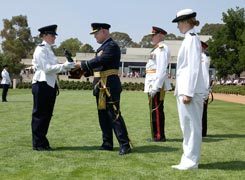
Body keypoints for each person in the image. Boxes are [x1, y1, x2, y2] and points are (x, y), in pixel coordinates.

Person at [75, 23, 132, 155]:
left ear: (104, 32)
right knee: (103, 116)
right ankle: (107, 143)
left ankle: (125, 144)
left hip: (110, 84)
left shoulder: (111, 46)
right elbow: (99, 66)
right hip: (100, 85)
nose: (94, 36)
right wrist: (83, 71)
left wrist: (83, 64)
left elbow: (102, 60)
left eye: (96, 33)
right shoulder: (103, 47)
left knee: (114, 115)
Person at [171, 9, 208, 170]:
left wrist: (188, 92)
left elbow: (193, 67)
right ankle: (187, 159)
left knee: (192, 127)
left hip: (190, 91)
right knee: (186, 127)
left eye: (179, 22)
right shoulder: (188, 38)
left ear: (186, 22)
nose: (178, 26)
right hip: (185, 90)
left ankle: (191, 161)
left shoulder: (192, 39)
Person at [31, 24, 74, 151]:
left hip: (49, 84)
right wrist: (64, 66)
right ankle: (38, 143)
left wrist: (67, 65)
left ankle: (42, 141)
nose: (54, 37)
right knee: (40, 114)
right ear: (44, 36)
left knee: (47, 114)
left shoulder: (49, 49)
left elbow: (52, 68)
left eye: (54, 35)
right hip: (41, 83)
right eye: (52, 35)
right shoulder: (41, 49)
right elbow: (47, 68)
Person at [144, 26, 171, 142]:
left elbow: (161, 69)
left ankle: (159, 136)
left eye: (153, 35)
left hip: (156, 84)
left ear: (160, 35)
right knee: (153, 110)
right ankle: (156, 135)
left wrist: (156, 86)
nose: (151, 37)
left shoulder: (162, 48)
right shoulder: (156, 49)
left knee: (157, 110)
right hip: (152, 83)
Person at [201, 41, 211, 137]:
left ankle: (202, 132)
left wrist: (205, 91)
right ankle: (202, 131)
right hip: (202, 89)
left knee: (201, 112)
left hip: (202, 89)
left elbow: (204, 75)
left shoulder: (203, 58)